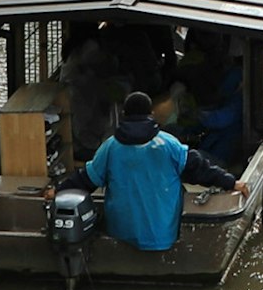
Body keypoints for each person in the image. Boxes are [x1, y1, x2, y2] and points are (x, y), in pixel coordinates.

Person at [81, 90, 233, 254]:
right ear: (151, 114)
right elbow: (199, 169)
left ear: (124, 114)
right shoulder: (168, 144)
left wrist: (58, 190)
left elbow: (86, 179)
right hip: (162, 238)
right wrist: (231, 182)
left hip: (120, 235)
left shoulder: (110, 147)